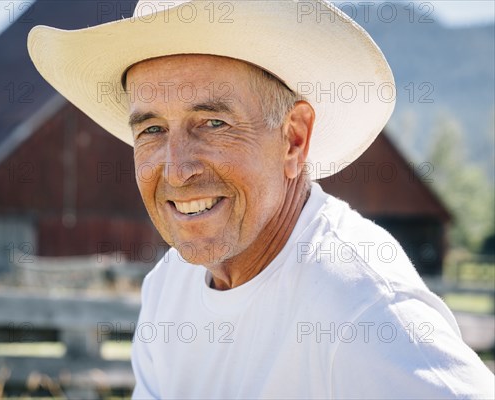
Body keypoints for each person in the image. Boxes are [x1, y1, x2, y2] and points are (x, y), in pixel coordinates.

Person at [28, 1, 495, 398]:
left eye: (212, 123)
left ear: (293, 140)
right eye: (151, 130)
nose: (176, 169)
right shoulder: (167, 289)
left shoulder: (361, 307)